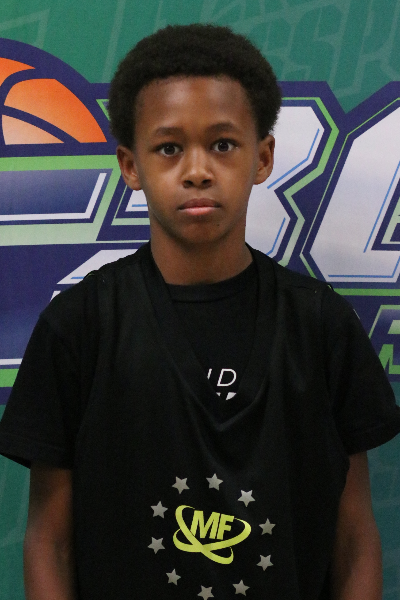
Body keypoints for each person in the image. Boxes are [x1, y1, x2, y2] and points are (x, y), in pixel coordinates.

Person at [0, 23, 400, 600]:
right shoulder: (80, 326)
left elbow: (356, 540)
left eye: (222, 144)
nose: (197, 170)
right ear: (130, 166)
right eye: (169, 148)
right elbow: (49, 542)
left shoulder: (322, 326)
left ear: (262, 157)